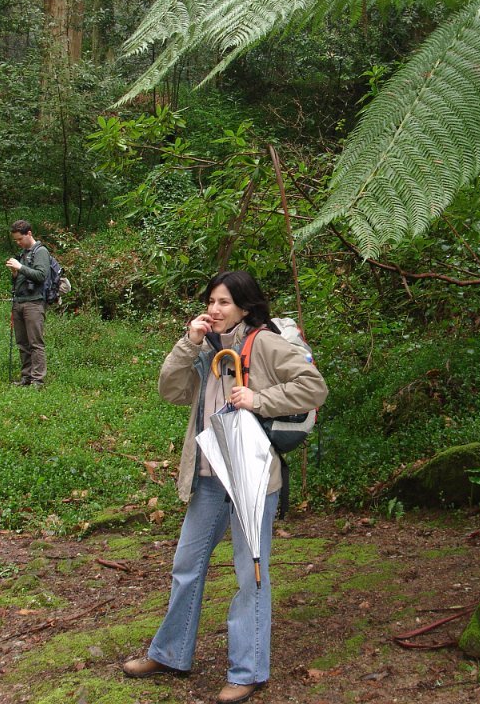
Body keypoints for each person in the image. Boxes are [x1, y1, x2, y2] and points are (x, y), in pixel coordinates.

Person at [122, 271, 327, 704]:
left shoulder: (264, 344)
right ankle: (170, 654)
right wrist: (189, 343)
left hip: (252, 478)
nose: (214, 310)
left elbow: (314, 387)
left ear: (244, 308)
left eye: (224, 303)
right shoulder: (205, 348)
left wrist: (259, 400)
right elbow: (171, 391)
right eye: (211, 302)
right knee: (186, 565)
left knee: (250, 574)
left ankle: (247, 671)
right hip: (209, 476)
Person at [6, 220, 50, 387]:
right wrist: (15, 273)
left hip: (34, 303)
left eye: (20, 239)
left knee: (35, 343)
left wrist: (20, 267)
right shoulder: (23, 254)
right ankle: (26, 377)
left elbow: (41, 275)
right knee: (22, 343)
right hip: (19, 301)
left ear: (29, 233)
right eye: (16, 240)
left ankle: (38, 380)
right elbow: (20, 280)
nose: (18, 242)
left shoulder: (41, 252)